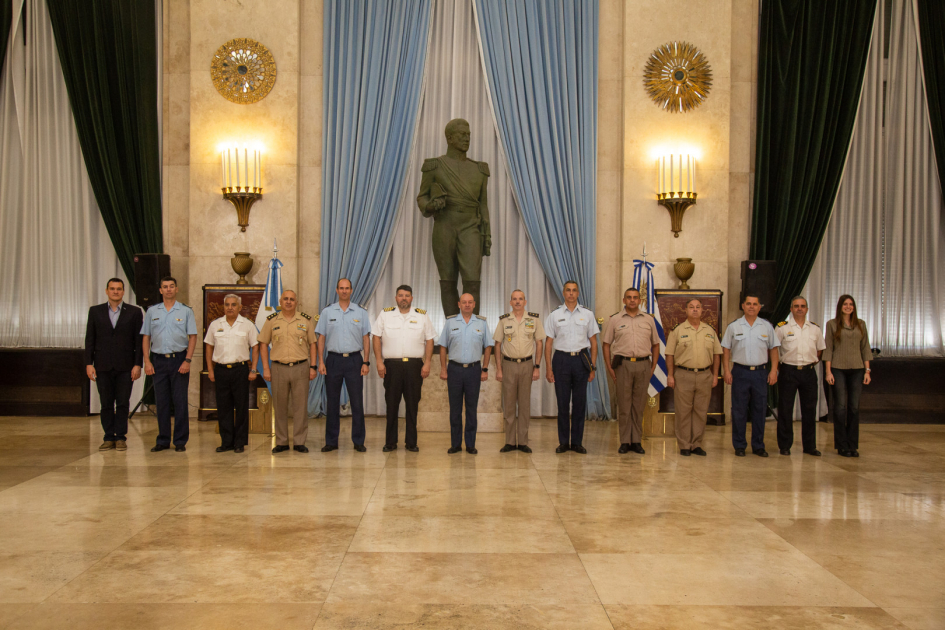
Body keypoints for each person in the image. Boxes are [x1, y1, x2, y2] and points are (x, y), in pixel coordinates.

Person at [417, 118, 491, 316]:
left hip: (470, 227)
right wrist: (431, 205)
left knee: (472, 281)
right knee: (447, 281)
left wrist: (487, 235)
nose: (467, 138)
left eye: (469, 134)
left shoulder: (479, 170)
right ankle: (452, 328)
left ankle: (473, 330)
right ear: (449, 138)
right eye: (462, 135)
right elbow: (422, 197)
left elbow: (483, 205)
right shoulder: (435, 166)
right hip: (444, 226)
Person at [372, 285, 436, 452]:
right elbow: (376, 337)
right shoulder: (385, 314)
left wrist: (427, 362)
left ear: (412, 298)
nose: (404, 298)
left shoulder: (422, 315)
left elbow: (430, 340)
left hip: (414, 366)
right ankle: (390, 442)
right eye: (400, 295)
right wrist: (379, 361)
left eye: (407, 295)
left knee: (412, 405)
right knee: (391, 405)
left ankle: (411, 442)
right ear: (396, 298)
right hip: (391, 366)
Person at [85, 278, 143, 452]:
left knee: (123, 403)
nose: (116, 291)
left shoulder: (134, 312)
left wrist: (137, 364)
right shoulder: (95, 311)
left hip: (126, 367)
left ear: (124, 292)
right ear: (107, 291)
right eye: (112, 289)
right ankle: (108, 437)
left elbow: (139, 341)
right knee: (106, 404)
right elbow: (90, 339)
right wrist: (89, 363)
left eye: (119, 289)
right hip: (102, 366)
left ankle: (121, 437)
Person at [602, 287, 661, 455]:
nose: (632, 300)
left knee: (639, 405)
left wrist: (653, 366)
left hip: (643, 365)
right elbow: (606, 344)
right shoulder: (615, 319)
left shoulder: (649, 320)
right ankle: (625, 441)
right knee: (624, 405)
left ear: (640, 301)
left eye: (635, 297)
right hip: (623, 366)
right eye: (629, 297)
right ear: (624, 300)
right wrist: (609, 367)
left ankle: (636, 441)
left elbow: (656, 344)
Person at [142, 276, 197, 452]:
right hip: (158, 360)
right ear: (160, 290)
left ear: (176, 289)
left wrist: (187, 360)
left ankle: (180, 441)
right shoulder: (152, 311)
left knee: (180, 401)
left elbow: (193, 336)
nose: (168, 289)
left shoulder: (186, 311)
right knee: (162, 402)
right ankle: (163, 440)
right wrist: (147, 361)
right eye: (165, 287)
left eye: (171, 286)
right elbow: (146, 337)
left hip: (179, 359)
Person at [315, 278, 371, 452]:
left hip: (355, 360)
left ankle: (358, 441)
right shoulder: (327, 312)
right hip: (333, 360)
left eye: (347, 288)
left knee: (356, 402)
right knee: (332, 402)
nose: (344, 291)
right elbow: (321, 338)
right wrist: (321, 361)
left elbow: (366, 338)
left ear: (352, 290)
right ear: (337, 291)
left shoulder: (360, 313)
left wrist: (366, 361)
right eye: (341, 288)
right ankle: (331, 441)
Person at [257, 290, 316, 454]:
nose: (288, 302)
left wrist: (313, 367)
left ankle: (299, 442)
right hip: (278, 368)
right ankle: (282, 441)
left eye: (292, 299)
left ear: (296, 302)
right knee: (280, 406)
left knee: (300, 407)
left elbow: (313, 344)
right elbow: (263, 344)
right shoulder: (271, 321)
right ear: (281, 302)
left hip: (301, 367)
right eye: (285, 299)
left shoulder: (306, 320)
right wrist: (266, 368)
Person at [545, 280, 600, 454]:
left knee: (579, 403)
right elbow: (548, 343)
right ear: (563, 293)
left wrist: (592, 366)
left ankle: (576, 442)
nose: (571, 293)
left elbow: (593, 342)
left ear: (578, 293)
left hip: (580, 361)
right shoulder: (554, 315)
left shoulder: (587, 314)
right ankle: (563, 442)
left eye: (574, 290)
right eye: (568, 290)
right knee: (562, 404)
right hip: (560, 360)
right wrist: (548, 368)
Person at [721, 294, 779, 457]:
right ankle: (739, 445)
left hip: (760, 373)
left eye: (755, 304)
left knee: (759, 410)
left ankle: (758, 445)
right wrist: (726, 370)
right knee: (739, 410)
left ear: (760, 307)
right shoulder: (734, 326)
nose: (752, 306)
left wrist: (774, 370)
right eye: (748, 304)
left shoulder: (766, 326)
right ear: (743, 306)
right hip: (740, 372)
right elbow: (726, 349)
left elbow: (774, 349)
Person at [665, 298, 722, 456]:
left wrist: (715, 375)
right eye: (691, 307)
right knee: (683, 412)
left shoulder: (709, 331)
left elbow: (717, 354)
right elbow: (669, 354)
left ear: (702, 310)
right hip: (683, 375)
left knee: (701, 411)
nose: (695, 310)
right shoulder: (678, 330)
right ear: (686, 310)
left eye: (698, 307)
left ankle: (696, 444)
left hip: (705, 375)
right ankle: (684, 445)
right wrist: (670, 375)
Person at [204, 294, 258, 454]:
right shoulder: (215, 325)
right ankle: (226, 441)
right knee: (223, 407)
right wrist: (210, 369)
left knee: (241, 407)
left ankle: (239, 442)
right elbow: (208, 347)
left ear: (240, 307)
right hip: (220, 370)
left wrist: (253, 369)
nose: (230, 307)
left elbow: (255, 346)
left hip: (240, 370)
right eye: (227, 304)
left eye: (233, 305)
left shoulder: (247, 325)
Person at [438, 293, 492, 454]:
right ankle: (455, 444)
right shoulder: (450, 322)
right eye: (464, 302)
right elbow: (442, 346)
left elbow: (488, 346)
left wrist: (485, 368)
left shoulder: (481, 323)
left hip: (474, 370)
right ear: (459, 304)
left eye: (470, 302)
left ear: (474, 304)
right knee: (455, 409)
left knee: (471, 408)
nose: (467, 305)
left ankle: (470, 444)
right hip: (454, 370)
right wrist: (443, 368)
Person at [493, 290, 545, 453]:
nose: (517, 302)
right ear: (510, 302)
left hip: (527, 365)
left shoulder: (534, 319)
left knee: (524, 404)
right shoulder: (504, 320)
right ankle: (509, 441)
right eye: (514, 299)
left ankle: (522, 441)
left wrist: (536, 366)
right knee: (508, 404)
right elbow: (497, 345)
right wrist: (499, 369)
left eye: (520, 299)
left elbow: (539, 342)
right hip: (508, 365)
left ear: (525, 301)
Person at [775, 296, 826, 457]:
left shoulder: (815, 329)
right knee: (785, 410)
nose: (799, 308)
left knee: (809, 410)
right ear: (791, 309)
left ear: (807, 309)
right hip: (788, 371)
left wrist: (808, 364)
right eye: (796, 306)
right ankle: (784, 445)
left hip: (808, 372)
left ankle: (810, 446)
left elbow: (819, 351)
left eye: (802, 306)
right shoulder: (782, 327)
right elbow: (774, 350)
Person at [824, 294, 872, 458]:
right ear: (840, 306)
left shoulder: (861, 324)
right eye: (845, 304)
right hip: (837, 368)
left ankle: (852, 445)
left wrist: (867, 370)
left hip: (857, 369)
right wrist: (828, 371)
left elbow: (865, 348)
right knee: (840, 407)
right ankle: (842, 445)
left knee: (854, 407)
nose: (848, 306)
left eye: (851, 304)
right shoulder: (831, 324)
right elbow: (828, 349)